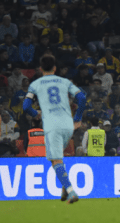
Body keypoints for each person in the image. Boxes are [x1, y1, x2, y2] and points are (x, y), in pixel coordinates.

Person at [23, 55, 87, 203]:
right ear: (55, 68)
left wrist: (36, 115)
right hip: (68, 124)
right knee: (57, 159)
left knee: (56, 160)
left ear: (40, 69)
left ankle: (71, 191)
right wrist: (77, 119)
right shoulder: (65, 82)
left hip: (52, 125)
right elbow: (82, 98)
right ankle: (64, 189)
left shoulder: (35, 84)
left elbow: (26, 106)